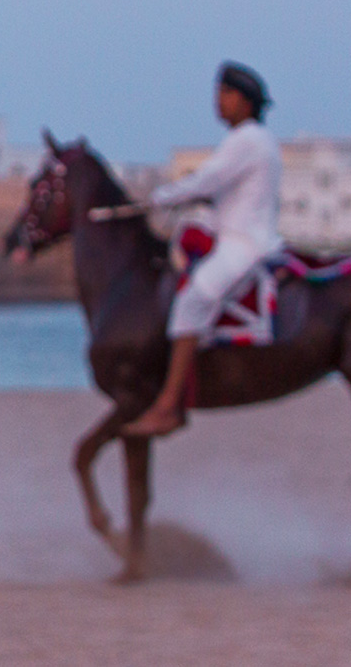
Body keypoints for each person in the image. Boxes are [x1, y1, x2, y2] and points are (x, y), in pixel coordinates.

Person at [124, 61, 283, 437]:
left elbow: (207, 179)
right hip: (233, 237)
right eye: (218, 93)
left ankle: (169, 407)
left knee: (191, 301)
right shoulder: (253, 140)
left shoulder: (247, 140)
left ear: (246, 102)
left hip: (244, 244)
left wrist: (159, 197)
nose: (218, 101)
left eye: (226, 94)